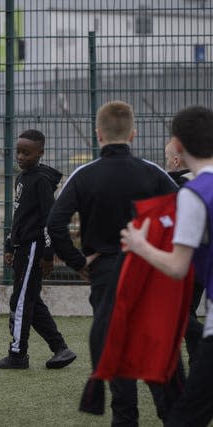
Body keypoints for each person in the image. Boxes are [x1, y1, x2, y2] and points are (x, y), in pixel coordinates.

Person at [46, 100, 180, 425]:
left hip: (105, 271)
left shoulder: (85, 175)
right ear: (133, 134)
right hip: (149, 269)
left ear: (98, 134)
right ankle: (172, 416)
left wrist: (79, 262)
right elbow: (183, 212)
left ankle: (125, 419)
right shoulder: (152, 173)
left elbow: (55, 223)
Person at [121, 105, 213, 427]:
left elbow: (177, 266)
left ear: (177, 145)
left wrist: (140, 245)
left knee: (185, 416)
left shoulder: (193, 193)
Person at [0, 130, 76, 370]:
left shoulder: (41, 181)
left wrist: (48, 255)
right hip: (21, 249)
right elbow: (19, 216)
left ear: (40, 153)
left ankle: (18, 354)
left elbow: (48, 220)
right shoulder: (22, 178)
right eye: (18, 152)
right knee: (30, 301)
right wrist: (9, 245)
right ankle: (60, 349)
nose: (20, 156)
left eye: (26, 153)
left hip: (33, 250)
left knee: (20, 301)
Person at [164, 140, 204, 367]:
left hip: (186, 260)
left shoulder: (174, 186)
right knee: (186, 311)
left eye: (168, 157)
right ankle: (200, 366)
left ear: (176, 160)